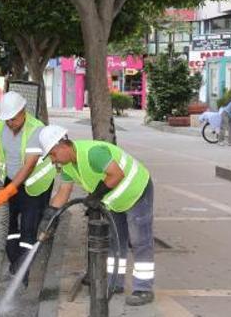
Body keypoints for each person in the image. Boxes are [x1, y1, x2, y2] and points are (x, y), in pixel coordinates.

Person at [37, 125, 155, 306]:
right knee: (116, 241)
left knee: (140, 241)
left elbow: (117, 174)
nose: (53, 160)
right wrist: (49, 218)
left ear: (62, 145)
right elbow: (63, 192)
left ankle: (144, 289)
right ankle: (115, 283)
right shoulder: (67, 166)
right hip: (114, 200)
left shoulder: (92, 153)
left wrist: (96, 196)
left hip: (137, 191)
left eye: (52, 154)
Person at [0, 91, 57, 287]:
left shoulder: (36, 130)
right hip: (11, 181)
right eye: (6, 119)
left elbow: (29, 166)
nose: (10, 123)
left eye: (13, 119)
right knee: (9, 226)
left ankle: (23, 274)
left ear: (23, 112)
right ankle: (16, 267)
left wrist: (8, 191)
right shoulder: (1, 126)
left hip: (35, 186)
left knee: (28, 231)